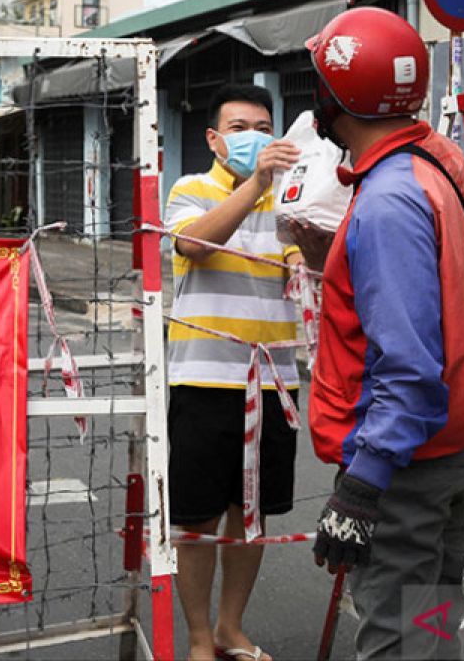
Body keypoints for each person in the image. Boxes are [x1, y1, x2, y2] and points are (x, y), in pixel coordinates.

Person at [305, 7, 464, 659]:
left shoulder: (389, 203)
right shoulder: (435, 161)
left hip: (406, 467)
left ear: (338, 100)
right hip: (455, 444)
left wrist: (362, 487)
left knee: (397, 643)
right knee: (431, 630)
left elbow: (407, 366)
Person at [163, 83, 303, 661]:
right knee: (195, 517)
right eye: (240, 128)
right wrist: (255, 185)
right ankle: (198, 638)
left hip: (273, 382)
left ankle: (230, 628)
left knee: (252, 515)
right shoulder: (189, 189)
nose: (254, 138)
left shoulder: (292, 199)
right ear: (214, 139)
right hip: (201, 379)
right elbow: (194, 244)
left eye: (263, 127)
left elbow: (314, 265)